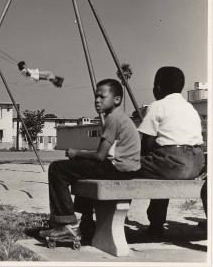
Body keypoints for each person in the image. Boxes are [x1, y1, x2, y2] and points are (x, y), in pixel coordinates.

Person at [38, 79, 141, 243]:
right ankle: (85, 221)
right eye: (96, 97)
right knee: (82, 170)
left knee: (57, 169)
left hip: (118, 168)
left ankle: (66, 224)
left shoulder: (113, 118)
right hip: (126, 168)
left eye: (102, 97)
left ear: (117, 100)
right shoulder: (120, 117)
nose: (97, 101)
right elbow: (103, 155)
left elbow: (100, 155)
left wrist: (76, 153)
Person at [136, 66, 205, 237]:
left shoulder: (157, 106)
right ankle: (156, 223)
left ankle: (156, 224)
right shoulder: (190, 108)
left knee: (128, 165)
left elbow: (146, 143)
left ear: (157, 88)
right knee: (160, 169)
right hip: (196, 163)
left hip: (172, 161)